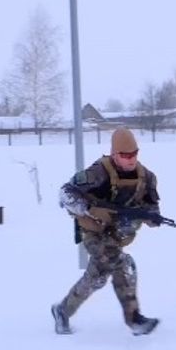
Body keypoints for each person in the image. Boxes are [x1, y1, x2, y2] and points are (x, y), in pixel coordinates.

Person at [51, 127, 162, 336]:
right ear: (113, 154)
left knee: (97, 277)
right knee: (122, 264)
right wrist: (90, 209)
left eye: (134, 154)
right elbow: (65, 193)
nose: (130, 159)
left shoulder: (146, 177)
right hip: (94, 232)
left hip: (118, 235)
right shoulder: (98, 173)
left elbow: (153, 209)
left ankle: (62, 310)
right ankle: (134, 319)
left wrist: (150, 217)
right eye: (124, 155)